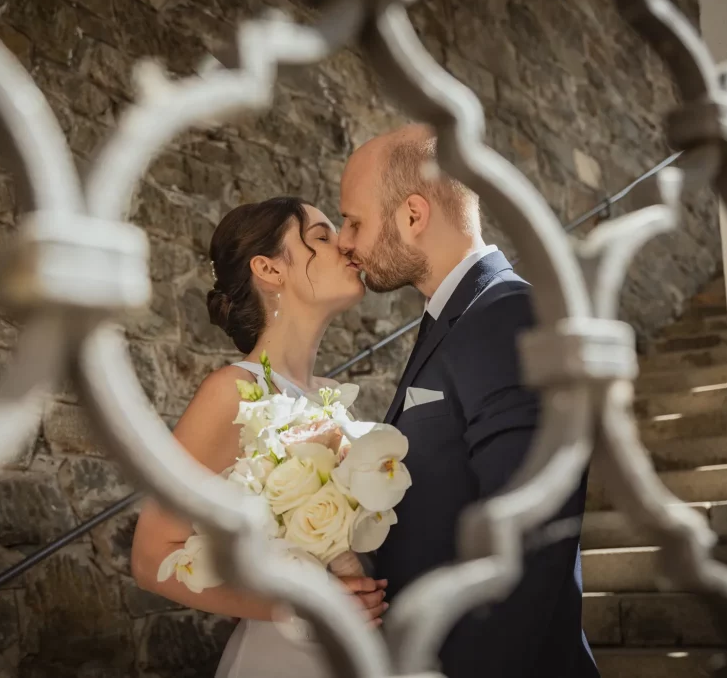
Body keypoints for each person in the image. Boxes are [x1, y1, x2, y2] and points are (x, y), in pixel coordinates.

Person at [337, 124, 600, 678]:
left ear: (413, 215)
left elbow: (528, 541)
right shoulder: (450, 321)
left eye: (354, 221)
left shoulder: (507, 315)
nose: (344, 240)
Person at [130, 197, 387, 678]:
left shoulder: (334, 396)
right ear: (269, 269)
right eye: (322, 237)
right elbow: (151, 557)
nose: (347, 246)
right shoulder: (232, 392)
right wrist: (299, 607)